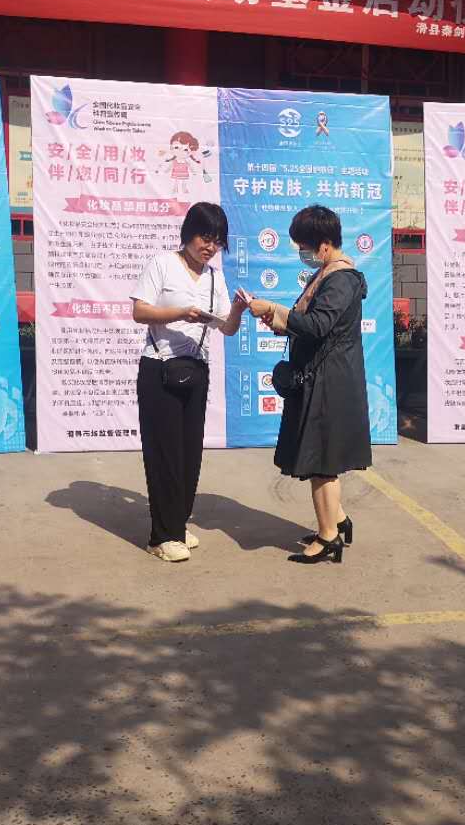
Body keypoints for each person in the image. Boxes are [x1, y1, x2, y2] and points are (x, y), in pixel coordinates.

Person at [240, 204, 371, 565]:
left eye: (305, 246)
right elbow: (310, 323)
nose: (302, 253)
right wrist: (277, 319)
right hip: (322, 375)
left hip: (329, 382)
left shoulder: (340, 279)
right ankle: (338, 521)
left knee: (321, 463)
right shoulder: (326, 274)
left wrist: (273, 308)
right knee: (320, 459)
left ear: (324, 244)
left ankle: (328, 538)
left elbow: (317, 325)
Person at [131, 202, 246, 562]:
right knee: (164, 454)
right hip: (159, 369)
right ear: (188, 233)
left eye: (217, 240)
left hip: (195, 370)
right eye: (204, 237)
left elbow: (226, 328)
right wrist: (181, 312)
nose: (210, 246)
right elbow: (139, 311)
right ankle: (161, 537)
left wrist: (238, 310)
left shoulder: (214, 277)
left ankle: (176, 525)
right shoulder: (162, 263)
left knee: (189, 454)